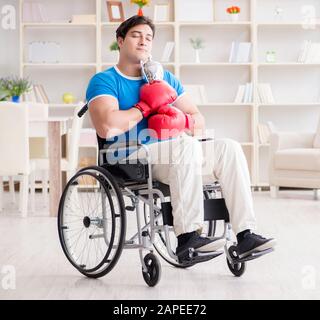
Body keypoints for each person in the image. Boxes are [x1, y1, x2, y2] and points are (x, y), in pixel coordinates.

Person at [86, 15, 276, 264]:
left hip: (175, 154)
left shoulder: (164, 80)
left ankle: (245, 235)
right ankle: (188, 239)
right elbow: (107, 126)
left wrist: (182, 122)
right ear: (120, 41)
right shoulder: (105, 80)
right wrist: (144, 107)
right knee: (184, 146)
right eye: (135, 35)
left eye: (149, 37)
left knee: (229, 147)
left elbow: (198, 119)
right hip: (129, 156)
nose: (143, 41)